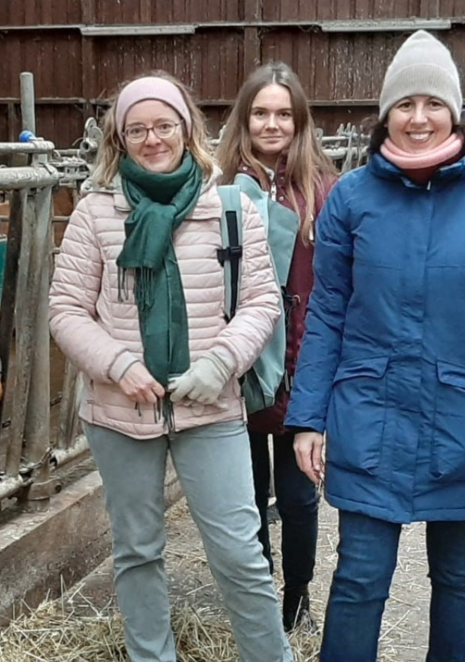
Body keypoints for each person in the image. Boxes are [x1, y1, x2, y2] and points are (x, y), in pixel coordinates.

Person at [284, 30, 465, 661]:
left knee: (460, 579)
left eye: (432, 104)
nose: (418, 118)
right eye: (404, 105)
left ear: (456, 111)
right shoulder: (353, 197)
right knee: (358, 577)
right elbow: (328, 311)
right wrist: (307, 418)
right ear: (386, 113)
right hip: (369, 417)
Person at [49, 71, 293, 662]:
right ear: (119, 138)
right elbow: (65, 309)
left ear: (187, 128)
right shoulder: (96, 212)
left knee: (239, 549)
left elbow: (263, 299)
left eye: (163, 125)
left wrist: (222, 362)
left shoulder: (230, 206)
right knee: (136, 550)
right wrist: (117, 364)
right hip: (120, 410)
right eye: (137, 129)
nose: (151, 138)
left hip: (211, 407)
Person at [216, 61, 339, 633]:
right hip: (240, 364)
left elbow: (337, 284)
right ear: (245, 119)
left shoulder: (322, 190)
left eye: (283, 114)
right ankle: (261, 596)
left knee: (298, 496)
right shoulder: (218, 188)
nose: (271, 124)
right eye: (260, 113)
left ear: (299, 120)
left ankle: (298, 597)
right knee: (247, 497)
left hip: (301, 363)